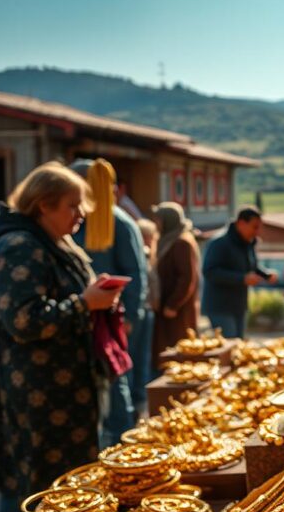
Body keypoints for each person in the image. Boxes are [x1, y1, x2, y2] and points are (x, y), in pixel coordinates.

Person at [0, 162, 122, 512]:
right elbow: (23, 320)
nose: (81, 214)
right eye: (73, 205)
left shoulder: (50, 241)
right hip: (39, 398)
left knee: (61, 491)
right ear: (44, 205)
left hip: (63, 394)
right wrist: (85, 304)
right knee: (33, 496)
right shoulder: (19, 246)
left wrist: (94, 300)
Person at [70, 159, 148, 446]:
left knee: (117, 382)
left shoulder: (120, 223)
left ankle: (122, 443)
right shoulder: (79, 220)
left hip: (115, 318)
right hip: (83, 314)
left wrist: (130, 317)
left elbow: (136, 273)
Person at [201, 206, 276, 338]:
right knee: (230, 346)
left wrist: (265, 275)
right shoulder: (219, 243)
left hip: (238, 305)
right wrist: (242, 278)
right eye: (254, 227)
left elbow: (251, 267)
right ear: (241, 223)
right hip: (221, 307)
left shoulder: (247, 242)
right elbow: (210, 271)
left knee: (238, 345)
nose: (257, 232)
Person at [152, 202, 200, 364]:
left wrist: (173, 304)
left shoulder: (181, 243)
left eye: (159, 219)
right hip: (167, 307)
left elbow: (187, 278)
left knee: (178, 351)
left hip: (177, 312)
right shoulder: (168, 240)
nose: (156, 224)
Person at [134, 217, 159, 407]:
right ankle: (139, 398)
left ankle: (141, 397)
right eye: (148, 237)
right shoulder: (139, 253)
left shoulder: (147, 253)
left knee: (143, 357)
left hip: (147, 309)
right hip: (141, 309)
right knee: (138, 357)